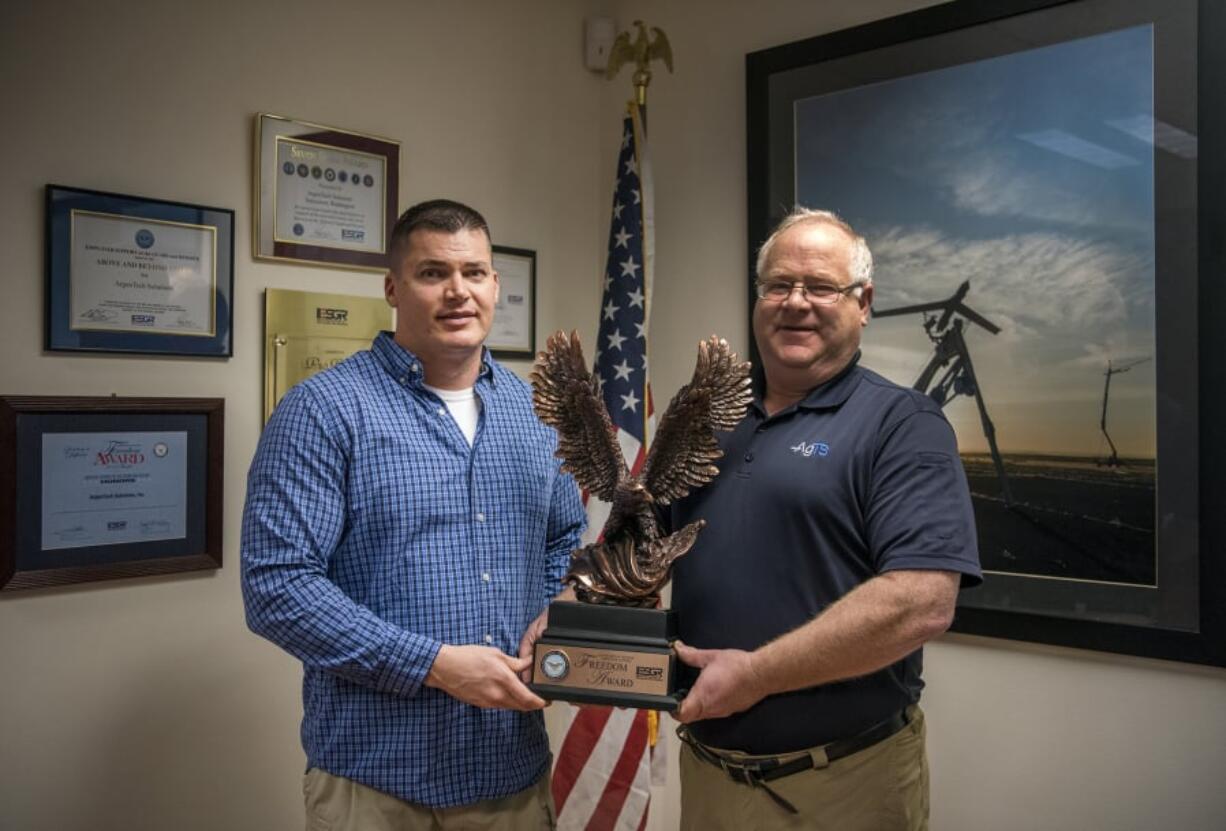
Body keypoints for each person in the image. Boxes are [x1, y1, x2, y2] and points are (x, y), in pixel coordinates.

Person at [241, 199, 584, 830]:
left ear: (495, 285)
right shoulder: (323, 411)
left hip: (509, 773)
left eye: (475, 273)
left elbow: (564, 535)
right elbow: (277, 587)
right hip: (376, 785)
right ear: (394, 288)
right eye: (433, 273)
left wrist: (550, 610)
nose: (458, 292)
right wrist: (434, 666)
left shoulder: (536, 410)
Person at [668, 207, 982, 830]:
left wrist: (756, 676)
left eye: (821, 287)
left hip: (840, 783)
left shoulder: (903, 425)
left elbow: (921, 602)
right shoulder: (701, 419)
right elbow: (646, 549)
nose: (796, 302)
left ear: (863, 303)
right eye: (779, 285)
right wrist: (580, 608)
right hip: (708, 773)